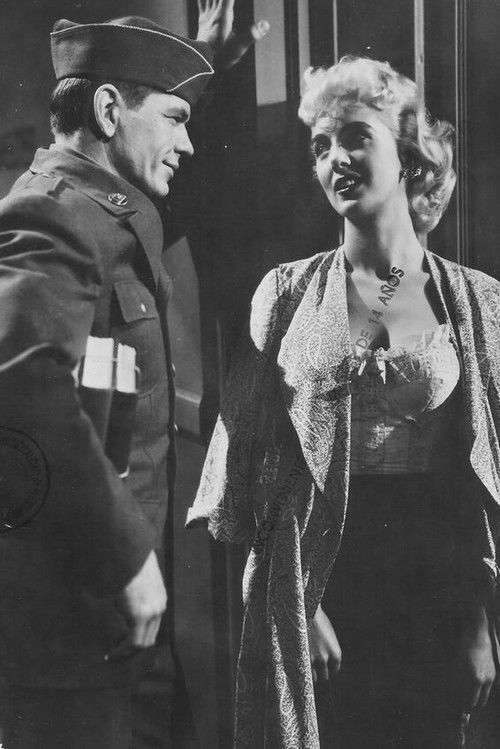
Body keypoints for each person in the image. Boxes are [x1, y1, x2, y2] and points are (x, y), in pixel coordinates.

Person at [187, 56, 500, 748]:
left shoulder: (475, 301)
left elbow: (475, 484)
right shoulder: (287, 293)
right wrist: (298, 604)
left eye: (357, 137)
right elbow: (246, 465)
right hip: (321, 582)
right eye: (321, 146)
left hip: (434, 582)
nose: (335, 159)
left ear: (409, 154)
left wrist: (480, 620)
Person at [0, 3, 268, 748]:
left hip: (125, 619)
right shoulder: (50, 213)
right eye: (176, 120)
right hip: (75, 623)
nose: (188, 142)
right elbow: (21, 388)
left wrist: (203, 70)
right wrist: (126, 557)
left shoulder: (110, 208)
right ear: (110, 110)